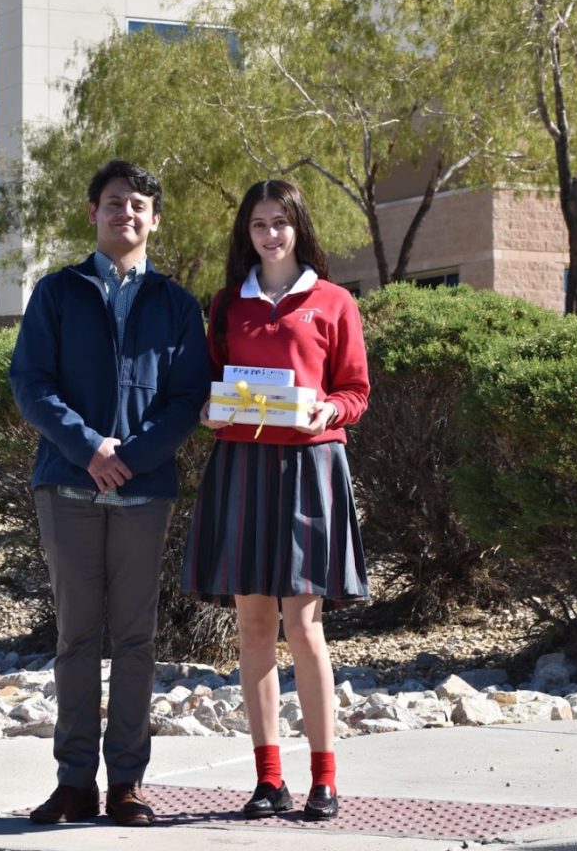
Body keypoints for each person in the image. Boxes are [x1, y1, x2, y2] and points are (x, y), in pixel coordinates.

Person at [10, 159, 208, 828]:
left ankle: (126, 783)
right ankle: (74, 783)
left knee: (134, 638)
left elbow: (186, 398)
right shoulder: (57, 293)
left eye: (138, 206)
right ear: (93, 212)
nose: (126, 214)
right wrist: (88, 448)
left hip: (144, 490)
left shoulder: (177, 306)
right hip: (67, 483)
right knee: (76, 637)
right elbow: (31, 385)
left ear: (155, 219)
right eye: (114, 203)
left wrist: (133, 455)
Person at [182, 179, 369, 821]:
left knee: (305, 625)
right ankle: (268, 780)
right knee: (254, 624)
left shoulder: (335, 301)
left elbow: (355, 391)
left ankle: (324, 779)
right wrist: (208, 407)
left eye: (280, 223)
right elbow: (209, 382)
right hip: (240, 463)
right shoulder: (227, 305)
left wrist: (328, 409)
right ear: (247, 233)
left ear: (298, 227)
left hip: (312, 466)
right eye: (259, 224)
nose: (270, 234)